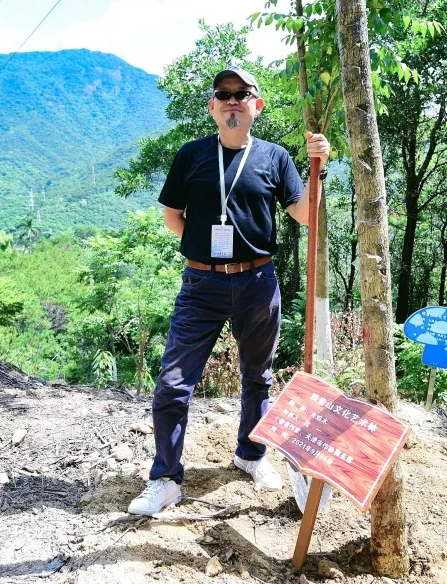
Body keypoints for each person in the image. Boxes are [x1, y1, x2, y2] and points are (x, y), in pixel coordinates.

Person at [127, 66, 330, 515]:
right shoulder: (191, 155)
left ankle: (250, 455)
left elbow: (305, 214)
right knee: (173, 383)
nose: (233, 100)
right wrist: (205, 256)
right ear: (212, 106)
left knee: (258, 376)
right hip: (201, 284)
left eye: (243, 94)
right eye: (224, 93)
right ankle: (165, 479)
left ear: (257, 105)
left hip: (258, 281)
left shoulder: (275, 158)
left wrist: (320, 167)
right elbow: (173, 217)